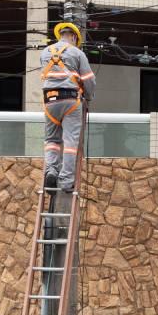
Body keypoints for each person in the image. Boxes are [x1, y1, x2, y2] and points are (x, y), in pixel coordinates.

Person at [41, 21, 97, 193]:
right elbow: (89, 80)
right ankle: (66, 181)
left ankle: (51, 171)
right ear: (73, 37)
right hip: (71, 101)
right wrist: (88, 97)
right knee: (70, 141)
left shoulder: (44, 53)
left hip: (50, 101)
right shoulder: (77, 53)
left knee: (52, 141)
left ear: (60, 35)